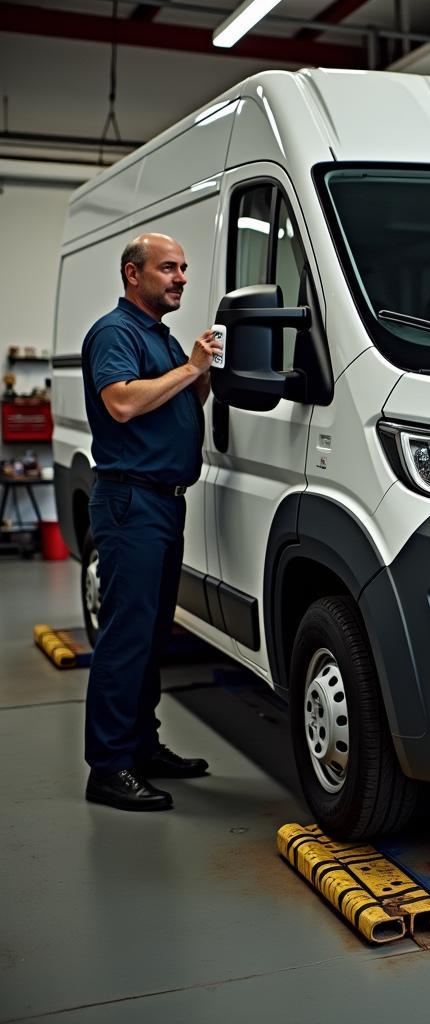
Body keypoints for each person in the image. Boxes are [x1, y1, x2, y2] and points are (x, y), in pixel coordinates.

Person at [82, 233, 221, 811]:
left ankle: (141, 746)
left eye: (184, 268)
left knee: (152, 634)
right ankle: (109, 768)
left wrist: (202, 373)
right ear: (132, 274)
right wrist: (189, 367)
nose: (181, 278)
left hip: (163, 501)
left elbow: (176, 405)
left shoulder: (159, 338)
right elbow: (122, 403)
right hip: (130, 503)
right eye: (168, 268)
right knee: (125, 639)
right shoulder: (115, 332)